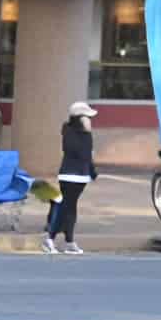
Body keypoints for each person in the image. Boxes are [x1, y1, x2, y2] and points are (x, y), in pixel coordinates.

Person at [43, 100, 97, 255]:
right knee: (65, 207)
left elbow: (88, 156)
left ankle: (69, 241)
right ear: (79, 117)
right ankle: (50, 239)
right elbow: (74, 150)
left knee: (71, 209)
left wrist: (92, 172)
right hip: (69, 175)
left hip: (82, 176)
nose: (90, 120)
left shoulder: (87, 134)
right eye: (87, 117)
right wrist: (84, 142)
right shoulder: (69, 131)